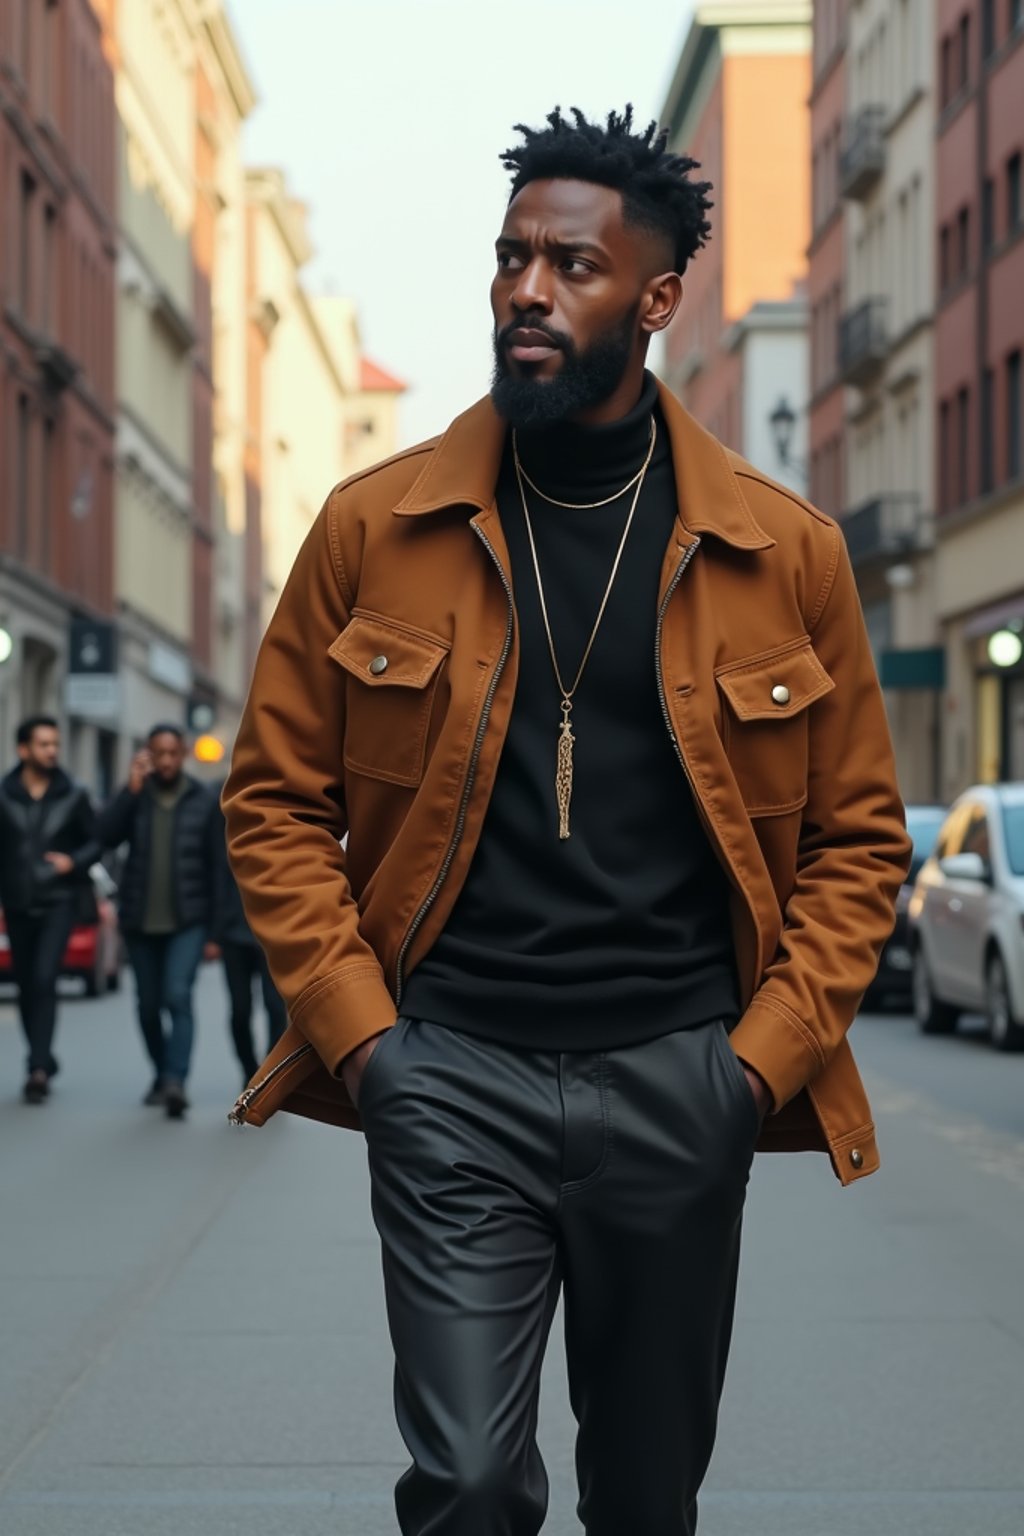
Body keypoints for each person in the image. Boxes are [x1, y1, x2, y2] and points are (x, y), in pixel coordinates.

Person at [223, 106, 911, 1535]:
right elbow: (277, 801)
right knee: (468, 1485)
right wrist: (372, 1048)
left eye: (574, 266)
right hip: (452, 1075)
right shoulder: (374, 527)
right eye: (511, 257)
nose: (528, 291)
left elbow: (860, 842)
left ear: (658, 300)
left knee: (648, 1498)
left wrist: (750, 1073)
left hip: (679, 1079)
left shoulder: (786, 553)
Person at [100, 724, 217, 1119]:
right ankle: (162, 1071)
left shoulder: (202, 800)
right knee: (148, 1005)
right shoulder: (138, 797)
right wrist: (129, 791)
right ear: (148, 755)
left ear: (182, 754)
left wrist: (215, 929)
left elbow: (218, 866)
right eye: (158, 754)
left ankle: (175, 1082)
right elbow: (106, 836)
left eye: (172, 753)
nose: (166, 761)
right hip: (139, 919)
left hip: (189, 919)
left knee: (177, 996)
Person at [0, 716, 100, 1104]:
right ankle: (40, 1058)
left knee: (44, 977)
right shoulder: (4, 794)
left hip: (59, 900)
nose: (52, 751)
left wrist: (71, 863)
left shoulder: (74, 794)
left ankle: (38, 1067)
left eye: (55, 744)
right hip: (18, 901)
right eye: (44, 744)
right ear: (23, 750)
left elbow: (96, 842)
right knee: (27, 982)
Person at [210, 783, 286, 1085]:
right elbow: (213, 870)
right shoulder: (222, 810)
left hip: (272, 933)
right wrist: (215, 931)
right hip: (233, 932)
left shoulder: (282, 811)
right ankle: (248, 1070)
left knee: (274, 1006)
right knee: (240, 1009)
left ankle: (270, 1074)